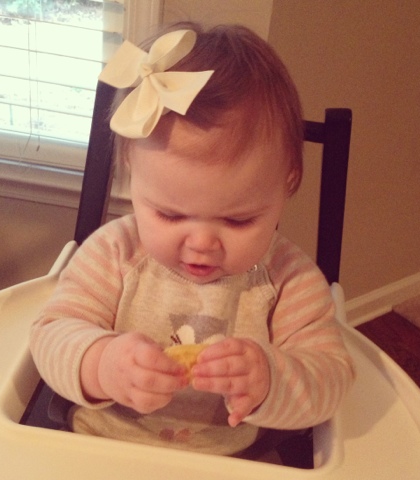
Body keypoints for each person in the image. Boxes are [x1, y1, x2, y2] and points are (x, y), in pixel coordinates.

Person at [30, 22, 355, 457]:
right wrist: (101, 363)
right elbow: (50, 336)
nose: (201, 243)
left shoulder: (287, 280)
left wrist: (271, 379)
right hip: (98, 450)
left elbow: (332, 377)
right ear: (131, 174)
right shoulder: (113, 254)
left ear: (287, 185)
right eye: (170, 214)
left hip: (233, 461)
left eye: (238, 220)